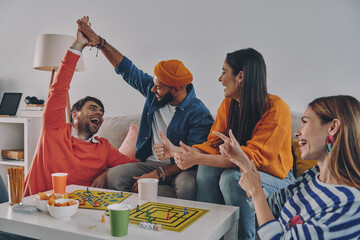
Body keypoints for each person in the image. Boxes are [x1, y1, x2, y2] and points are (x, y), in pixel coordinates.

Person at [157, 48, 295, 239]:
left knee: (232, 178)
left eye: (223, 72)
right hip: (244, 168)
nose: (220, 79)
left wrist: (198, 158)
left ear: (240, 77)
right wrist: (180, 152)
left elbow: (249, 159)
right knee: (207, 170)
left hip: (279, 180)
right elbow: (212, 144)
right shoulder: (229, 104)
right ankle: (205, 234)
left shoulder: (277, 109)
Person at [77, 16, 213, 200]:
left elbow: (193, 161)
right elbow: (127, 69)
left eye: (158, 86)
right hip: (148, 163)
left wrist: (159, 174)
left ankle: (179, 227)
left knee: (187, 184)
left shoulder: (199, 114)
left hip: (179, 168)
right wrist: (100, 43)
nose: (151, 89)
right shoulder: (155, 92)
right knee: (116, 176)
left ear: (176, 89)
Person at [23, 19, 137, 196]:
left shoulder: (104, 148)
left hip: (78, 212)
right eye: (93, 108)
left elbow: (134, 166)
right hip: (37, 206)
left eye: (101, 112)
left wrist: (108, 173)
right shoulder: (54, 130)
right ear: (74, 114)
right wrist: (78, 45)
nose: (99, 114)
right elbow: (58, 88)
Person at [228, 95, 360, 239]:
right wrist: (243, 162)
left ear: (333, 127)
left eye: (305, 122)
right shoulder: (313, 176)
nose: (297, 133)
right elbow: (271, 207)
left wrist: (256, 191)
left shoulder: (350, 204)